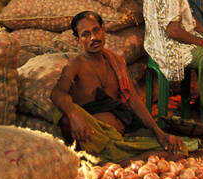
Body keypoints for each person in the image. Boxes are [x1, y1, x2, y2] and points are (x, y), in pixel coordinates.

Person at [51, 11, 186, 161]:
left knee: (179, 148)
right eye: (86, 34)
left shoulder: (116, 61)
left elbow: (134, 101)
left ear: (103, 31)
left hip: (123, 135)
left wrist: (158, 132)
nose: (94, 38)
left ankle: (124, 161)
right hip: (97, 140)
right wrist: (74, 115)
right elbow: (58, 93)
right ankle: (122, 161)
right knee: (65, 120)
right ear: (77, 40)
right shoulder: (75, 65)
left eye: (96, 31)